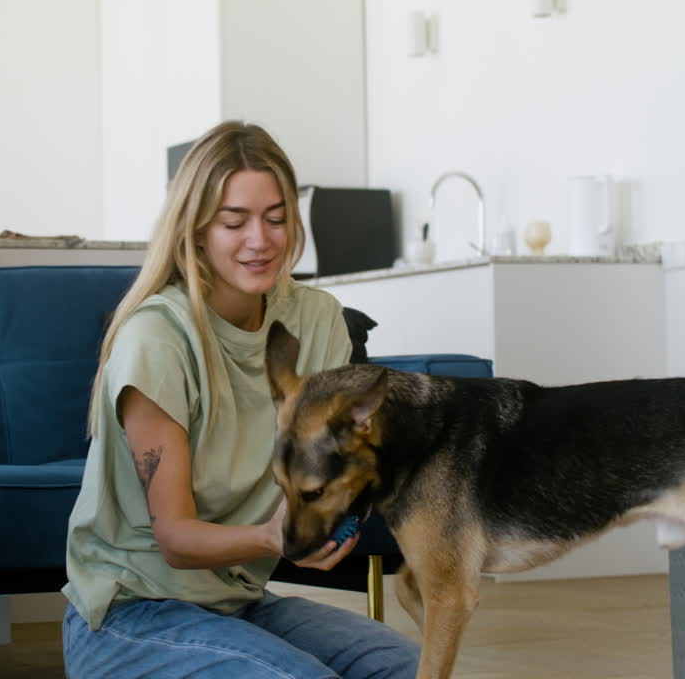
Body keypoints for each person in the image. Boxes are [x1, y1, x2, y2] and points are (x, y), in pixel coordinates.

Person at [62, 121, 420, 678]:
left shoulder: (316, 320)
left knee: (410, 669)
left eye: (276, 218)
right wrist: (271, 535)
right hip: (129, 616)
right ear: (197, 228)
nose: (261, 239)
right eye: (235, 221)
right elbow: (176, 539)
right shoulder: (157, 337)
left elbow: (341, 455)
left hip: (238, 603)